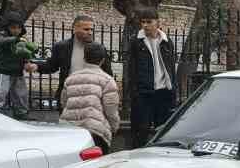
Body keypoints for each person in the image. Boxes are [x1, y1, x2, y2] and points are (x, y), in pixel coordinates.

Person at [31, 14, 112, 105]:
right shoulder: (62, 47)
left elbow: (108, 74)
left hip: (92, 98)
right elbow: (52, 66)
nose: (90, 32)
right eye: (86, 29)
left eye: (91, 29)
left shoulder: (99, 49)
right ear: (75, 29)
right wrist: (36, 66)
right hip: (68, 96)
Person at [59, 42, 121, 153]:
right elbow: (111, 110)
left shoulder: (71, 78)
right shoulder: (107, 81)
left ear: (84, 58)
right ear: (102, 60)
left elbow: (64, 102)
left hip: (70, 130)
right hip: (94, 132)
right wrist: (114, 126)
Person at [129, 10, 178, 147]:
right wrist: (134, 92)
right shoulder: (136, 42)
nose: (145, 25)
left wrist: (173, 90)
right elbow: (131, 70)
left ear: (158, 22)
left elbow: (171, 68)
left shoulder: (166, 42)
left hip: (164, 92)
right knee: (141, 130)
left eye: (149, 22)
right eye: (143, 22)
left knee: (162, 131)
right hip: (144, 93)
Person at [0, 11, 39, 119]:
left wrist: (27, 62)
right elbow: (2, 41)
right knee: (1, 93)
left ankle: (21, 113)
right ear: (7, 27)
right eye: (13, 27)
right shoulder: (2, 35)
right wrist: (16, 39)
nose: (16, 30)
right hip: (4, 71)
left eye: (18, 28)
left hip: (17, 71)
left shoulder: (21, 39)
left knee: (21, 94)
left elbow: (24, 53)